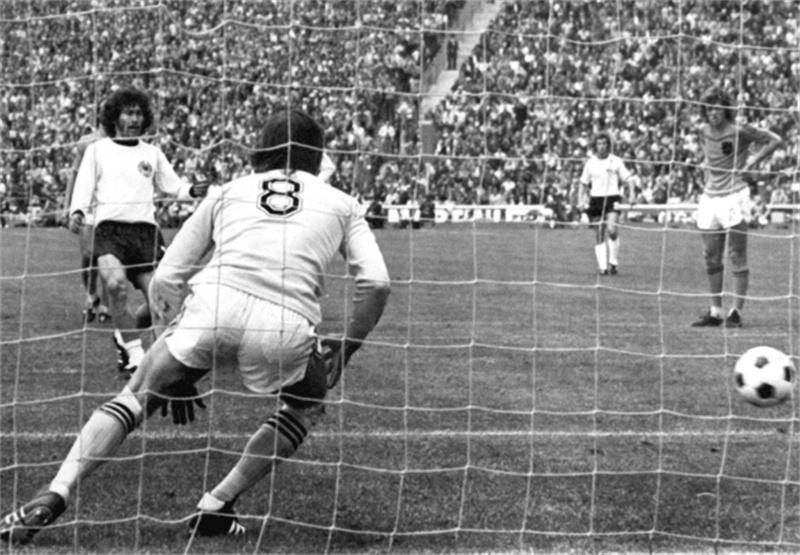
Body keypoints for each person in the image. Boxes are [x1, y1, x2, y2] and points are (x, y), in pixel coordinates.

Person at [0, 109, 391, 544]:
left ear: (261, 149)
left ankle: (57, 490)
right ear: (317, 156)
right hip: (284, 326)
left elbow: (166, 278)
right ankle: (218, 504)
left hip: (212, 310)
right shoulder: (342, 203)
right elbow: (377, 283)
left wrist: (172, 353)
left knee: (136, 396)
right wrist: (348, 346)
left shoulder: (227, 192)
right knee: (307, 405)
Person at [67, 87, 206, 376]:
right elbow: (84, 185)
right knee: (115, 285)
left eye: (139, 113)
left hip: (145, 234)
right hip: (109, 231)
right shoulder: (97, 150)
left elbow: (174, 187)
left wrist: (194, 190)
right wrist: (77, 211)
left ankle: (130, 339)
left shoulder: (152, 153)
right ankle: (133, 354)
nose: (134, 119)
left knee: (160, 298)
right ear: (115, 117)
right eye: (128, 113)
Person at [690, 86, 782, 328]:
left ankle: (736, 313)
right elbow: (709, 156)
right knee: (711, 256)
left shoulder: (739, 129)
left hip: (734, 195)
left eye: (718, 109)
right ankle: (715, 312)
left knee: (737, 254)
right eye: (709, 109)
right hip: (710, 197)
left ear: (725, 110)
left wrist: (752, 160)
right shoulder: (702, 130)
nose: (713, 113)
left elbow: (775, 140)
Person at [63, 126, 112, 324]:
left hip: (111, 205)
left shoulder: (122, 140)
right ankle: (91, 295)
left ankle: (106, 305)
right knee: (88, 255)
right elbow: (74, 175)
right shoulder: (86, 141)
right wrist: (68, 205)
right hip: (88, 205)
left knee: (109, 256)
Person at [577, 132, 633, 275]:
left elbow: (628, 178)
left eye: (604, 144)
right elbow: (583, 183)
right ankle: (603, 267)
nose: (601, 146)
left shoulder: (615, 161)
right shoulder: (590, 163)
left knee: (612, 229)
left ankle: (613, 262)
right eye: (599, 144)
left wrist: (632, 194)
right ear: (595, 146)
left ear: (608, 145)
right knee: (599, 233)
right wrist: (580, 200)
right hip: (596, 199)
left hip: (612, 198)